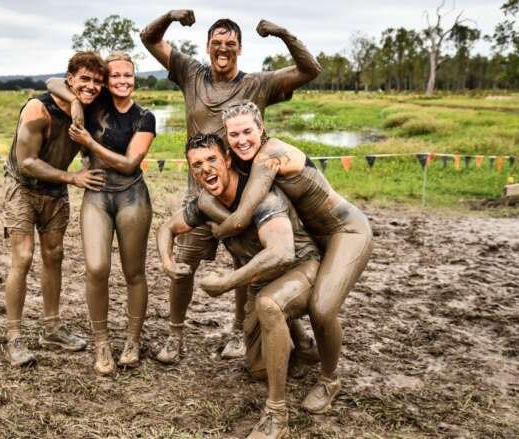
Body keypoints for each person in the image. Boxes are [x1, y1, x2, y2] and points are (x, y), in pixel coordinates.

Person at [141, 10, 322, 364]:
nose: (223, 49)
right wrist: (171, 16)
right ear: (207, 46)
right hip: (200, 196)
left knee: (248, 262)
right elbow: (149, 38)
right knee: (184, 263)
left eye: (230, 44)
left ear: (240, 48)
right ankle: (175, 335)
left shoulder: (258, 84)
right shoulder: (190, 73)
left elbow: (310, 70)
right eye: (217, 43)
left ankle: (239, 333)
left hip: (246, 194)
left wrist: (282, 31)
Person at [210, 101, 373, 413]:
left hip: (347, 231)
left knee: (322, 308)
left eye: (247, 131)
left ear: (262, 129)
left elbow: (243, 216)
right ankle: (306, 349)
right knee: (280, 283)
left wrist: (216, 230)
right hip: (313, 239)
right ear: (226, 137)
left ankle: (330, 380)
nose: (241, 139)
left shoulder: (269, 155)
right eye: (233, 135)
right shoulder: (246, 162)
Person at [158, 133, 320, 439]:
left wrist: (226, 283)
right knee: (259, 368)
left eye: (211, 160)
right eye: (197, 165)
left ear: (228, 160)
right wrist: (167, 263)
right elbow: (167, 227)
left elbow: (281, 252)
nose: (205, 169)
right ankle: (303, 348)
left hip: (302, 269)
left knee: (269, 306)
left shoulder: (260, 198)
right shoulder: (205, 202)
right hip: (263, 283)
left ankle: (276, 414)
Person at [45, 52, 156, 375]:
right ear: (107, 80)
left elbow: (128, 163)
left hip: (132, 196)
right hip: (96, 195)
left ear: (135, 79)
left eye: (128, 76)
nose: (122, 81)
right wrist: (77, 104)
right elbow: (52, 82)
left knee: (134, 272)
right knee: (96, 268)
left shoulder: (144, 117)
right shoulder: (95, 104)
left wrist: (89, 143)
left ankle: (132, 340)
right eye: (115, 76)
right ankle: (102, 342)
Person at [2, 52, 108, 367]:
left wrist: (78, 106)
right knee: (22, 257)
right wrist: (73, 177)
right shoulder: (39, 110)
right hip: (23, 187)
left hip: (55, 191)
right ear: (70, 80)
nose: (91, 87)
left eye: (96, 81)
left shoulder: (89, 111)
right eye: (84, 80)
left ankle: (52, 328)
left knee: (55, 255)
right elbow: (28, 162)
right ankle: (13, 337)